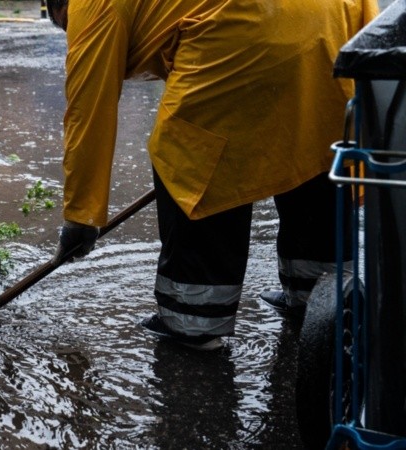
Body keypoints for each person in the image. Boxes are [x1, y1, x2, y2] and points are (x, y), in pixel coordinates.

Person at [48, 0, 379, 350]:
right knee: (314, 139)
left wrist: (80, 217)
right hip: (335, 27)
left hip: (246, 27)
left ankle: (194, 320)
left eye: (65, 24)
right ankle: (319, 301)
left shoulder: (87, 4)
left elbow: (89, 110)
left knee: (191, 152)